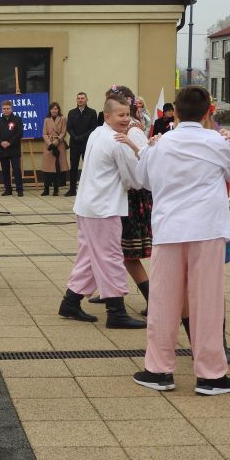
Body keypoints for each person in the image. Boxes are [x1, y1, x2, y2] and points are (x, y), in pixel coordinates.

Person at [133, 86, 230, 395]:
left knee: (163, 300)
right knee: (207, 301)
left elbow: (142, 179)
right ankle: (210, 375)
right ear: (207, 112)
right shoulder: (216, 141)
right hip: (207, 229)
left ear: (175, 111)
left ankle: (158, 370)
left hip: (169, 228)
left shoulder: (160, 143)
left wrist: (150, 148)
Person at [57, 95, 146, 329]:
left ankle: (70, 302)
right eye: (120, 115)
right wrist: (142, 151)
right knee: (111, 258)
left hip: (88, 206)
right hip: (103, 208)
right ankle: (116, 312)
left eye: (127, 115)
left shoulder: (98, 133)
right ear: (107, 116)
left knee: (89, 257)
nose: (126, 119)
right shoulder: (117, 141)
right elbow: (135, 180)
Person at [88, 86, 152, 316]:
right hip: (123, 196)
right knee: (115, 252)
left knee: (126, 255)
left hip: (132, 198)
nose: (121, 117)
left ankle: (151, 299)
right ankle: (110, 292)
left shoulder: (133, 131)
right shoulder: (107, 132)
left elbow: (142, 168)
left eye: (124, 112)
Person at [66, 92, 98, 196]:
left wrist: (83, 137)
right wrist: (75, 136)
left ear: (86, 100)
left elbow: (93, 128)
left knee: (88, 166)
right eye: (78, 98)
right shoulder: (72, 112)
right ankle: (72, 189)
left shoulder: (92, 112)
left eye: (82, 98)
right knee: (73, 166)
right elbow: (69, 127)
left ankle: (88, 189)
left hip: (86, 143)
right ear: (76, 100)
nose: (80, 100)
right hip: (74, 143)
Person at [0, 99, 23, 196]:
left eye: (8, 108)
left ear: (11, 109)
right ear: (1, 110)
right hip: (2, 149)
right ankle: (8, 189)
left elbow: (19, 133)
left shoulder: (17, 119)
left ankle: (19, 189)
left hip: (14, 149)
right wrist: (1, 142)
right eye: (4, 109)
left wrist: (9, 142)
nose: (6, 110)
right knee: (5, 170)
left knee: (16, 169)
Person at [41, 102, 68, 196]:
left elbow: (63, 132)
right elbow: (44, 133)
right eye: (52, 109)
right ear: (50, 110)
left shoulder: (63, 119)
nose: (54, 110)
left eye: (56, 109)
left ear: (58, 110)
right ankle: (46, 189)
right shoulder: (46, 120)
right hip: (48, 146)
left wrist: (55, 143)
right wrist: (50, 144)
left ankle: (56, 189)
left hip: (59, 145)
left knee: (57, 168)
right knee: (47, 169)